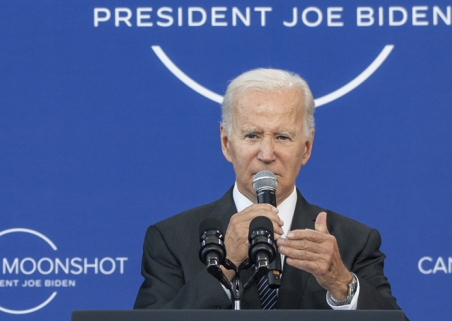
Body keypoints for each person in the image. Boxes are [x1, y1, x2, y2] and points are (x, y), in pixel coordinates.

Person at [134, 68, 404, 311]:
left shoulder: (353, 241)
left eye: (282, 137)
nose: (266, 153)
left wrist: (341, 284)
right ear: (226, 143)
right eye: (252, 135)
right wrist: (223, 266)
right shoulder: (171, 239)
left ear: (306, 148)